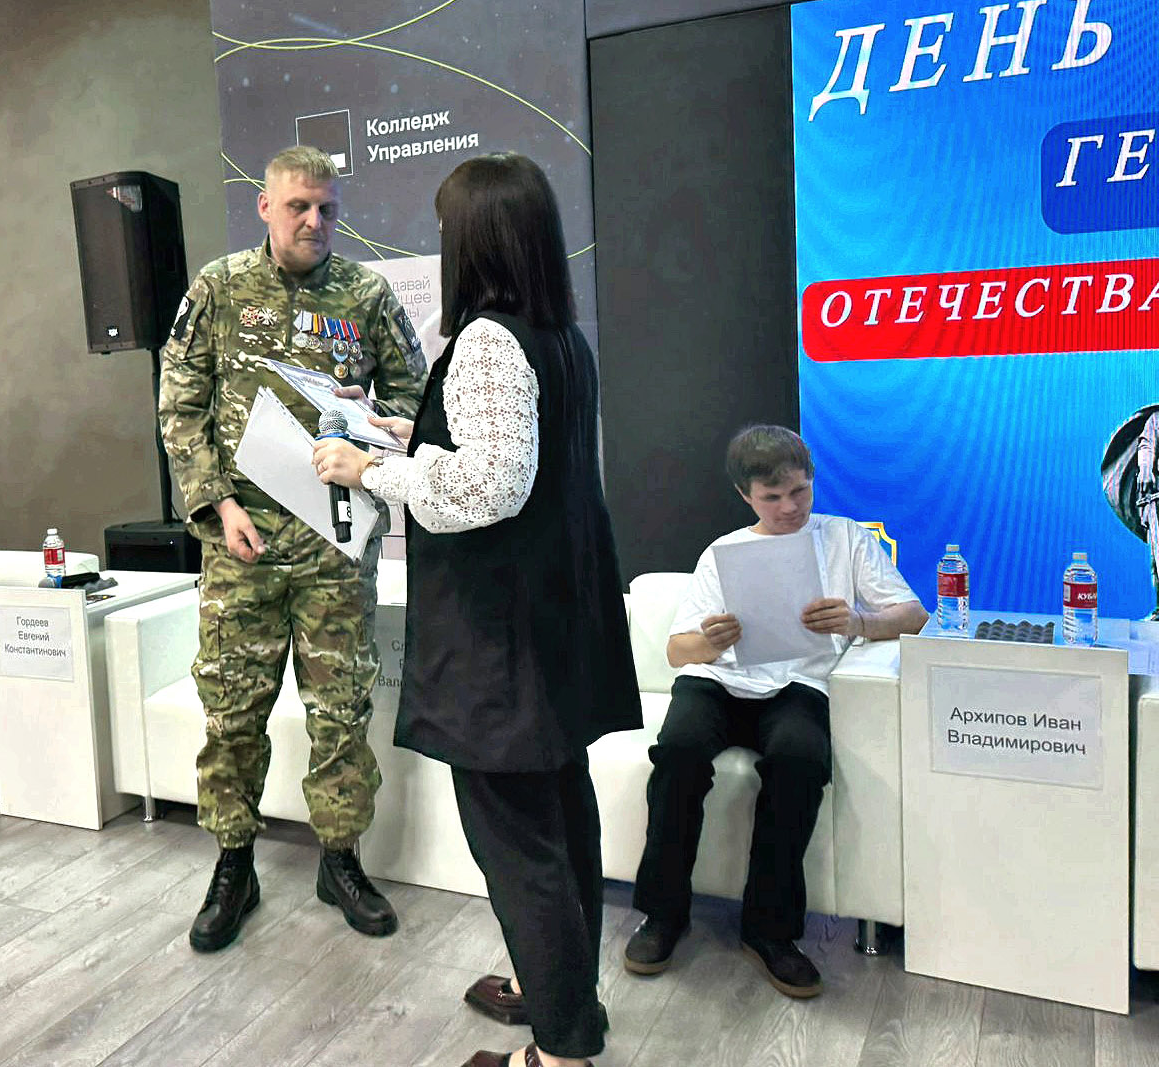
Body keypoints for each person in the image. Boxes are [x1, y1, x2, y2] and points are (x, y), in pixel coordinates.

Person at [314, 152, 638, 1067]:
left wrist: (369, 469)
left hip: (501, 644)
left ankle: (561, 1049)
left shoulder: (489, 340)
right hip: (554, 628)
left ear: (476, 239)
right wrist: (397, 431)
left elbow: (492, 485)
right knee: (561, 820)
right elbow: (504, 454)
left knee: (518, 842)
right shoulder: (558, 338)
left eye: (446, 228)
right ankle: (564, 993)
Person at [157, 145, 427, 953]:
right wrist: (217, 502)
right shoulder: (218, 288)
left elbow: (415, 396)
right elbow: (180, 404)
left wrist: (374, 420)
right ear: (266, 207)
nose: (315, 221)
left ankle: (339, 859)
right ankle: (233, 863)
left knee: (340, 710)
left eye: (328, 209)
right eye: (300, 206)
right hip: (240, 545)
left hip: (335, 545)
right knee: (233, 709)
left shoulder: (367, 295)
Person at [625, 425, 927, 997]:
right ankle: (662, 915)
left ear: (812, 481)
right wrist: (710, 642)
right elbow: (677, 652)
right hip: (717, 683)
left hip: (799, 686)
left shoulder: (846, 538)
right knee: (678, 756)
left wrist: (859, 622)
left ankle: (770, 931)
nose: (790, 507)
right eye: (773, 496)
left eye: (800, 491)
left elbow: (912, 615)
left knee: (800, 762)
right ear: (746, 495)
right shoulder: (723, 553)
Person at [1101, 404, 1159, 619]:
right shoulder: (1157, 419)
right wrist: (1145, 469)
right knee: (1157, 556)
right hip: (1157, 498)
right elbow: (1147, 443)